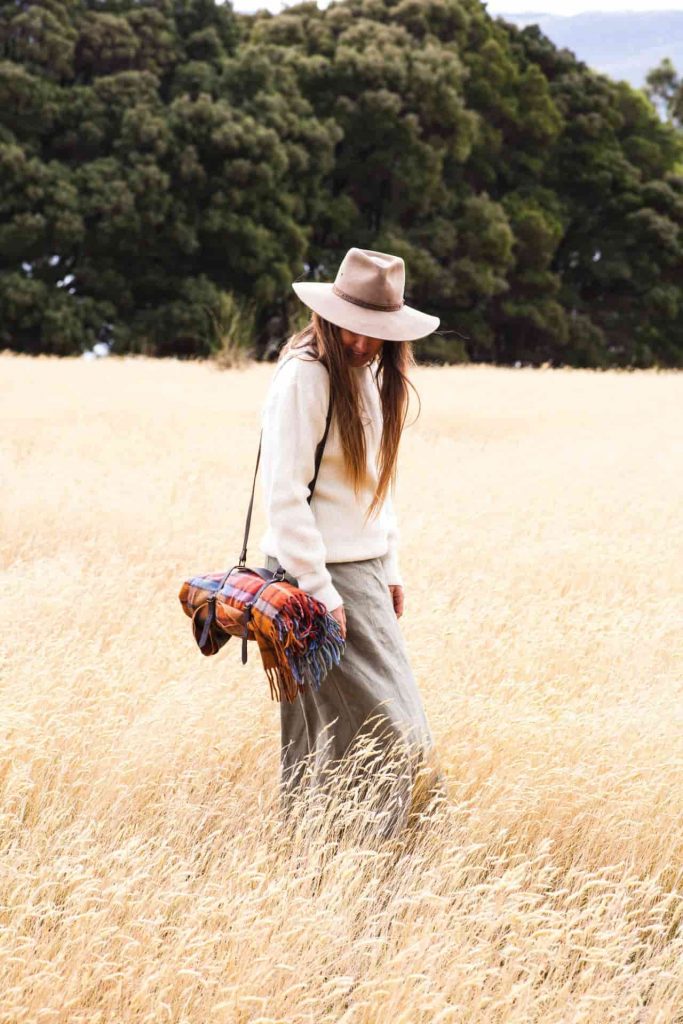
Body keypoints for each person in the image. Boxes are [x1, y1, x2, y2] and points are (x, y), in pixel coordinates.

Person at [259, 247, 447, 838]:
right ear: (330, 313)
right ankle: (350, 873)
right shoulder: (305, 376)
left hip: (359, 574)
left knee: (352, 736)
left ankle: (345, 874)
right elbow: (285, 496)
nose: (363, 343)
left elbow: (372, 484)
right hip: (315, 577)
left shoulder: (368, 375)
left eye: (376, 332)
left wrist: (389, 566)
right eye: (354, 329)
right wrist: (321, 593)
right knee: (390, 737)